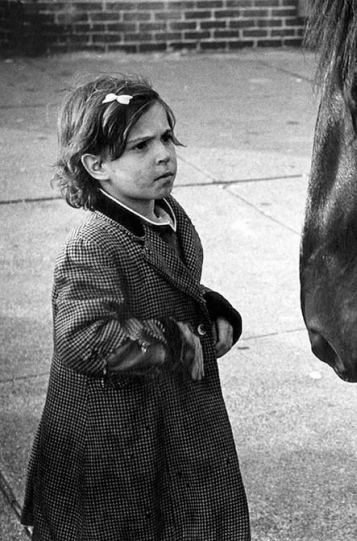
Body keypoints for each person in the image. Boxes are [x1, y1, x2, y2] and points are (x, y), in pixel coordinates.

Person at [21, 73, 250, 540]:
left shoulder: (165, 212)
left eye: (166, 137)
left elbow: (169, 286)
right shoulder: (94, 242)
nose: (164, 154)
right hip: (111, 443)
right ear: (96, 165)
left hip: (170, 418)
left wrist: (211, 310)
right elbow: (83, 338)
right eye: (140, 147)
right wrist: (176, 340)